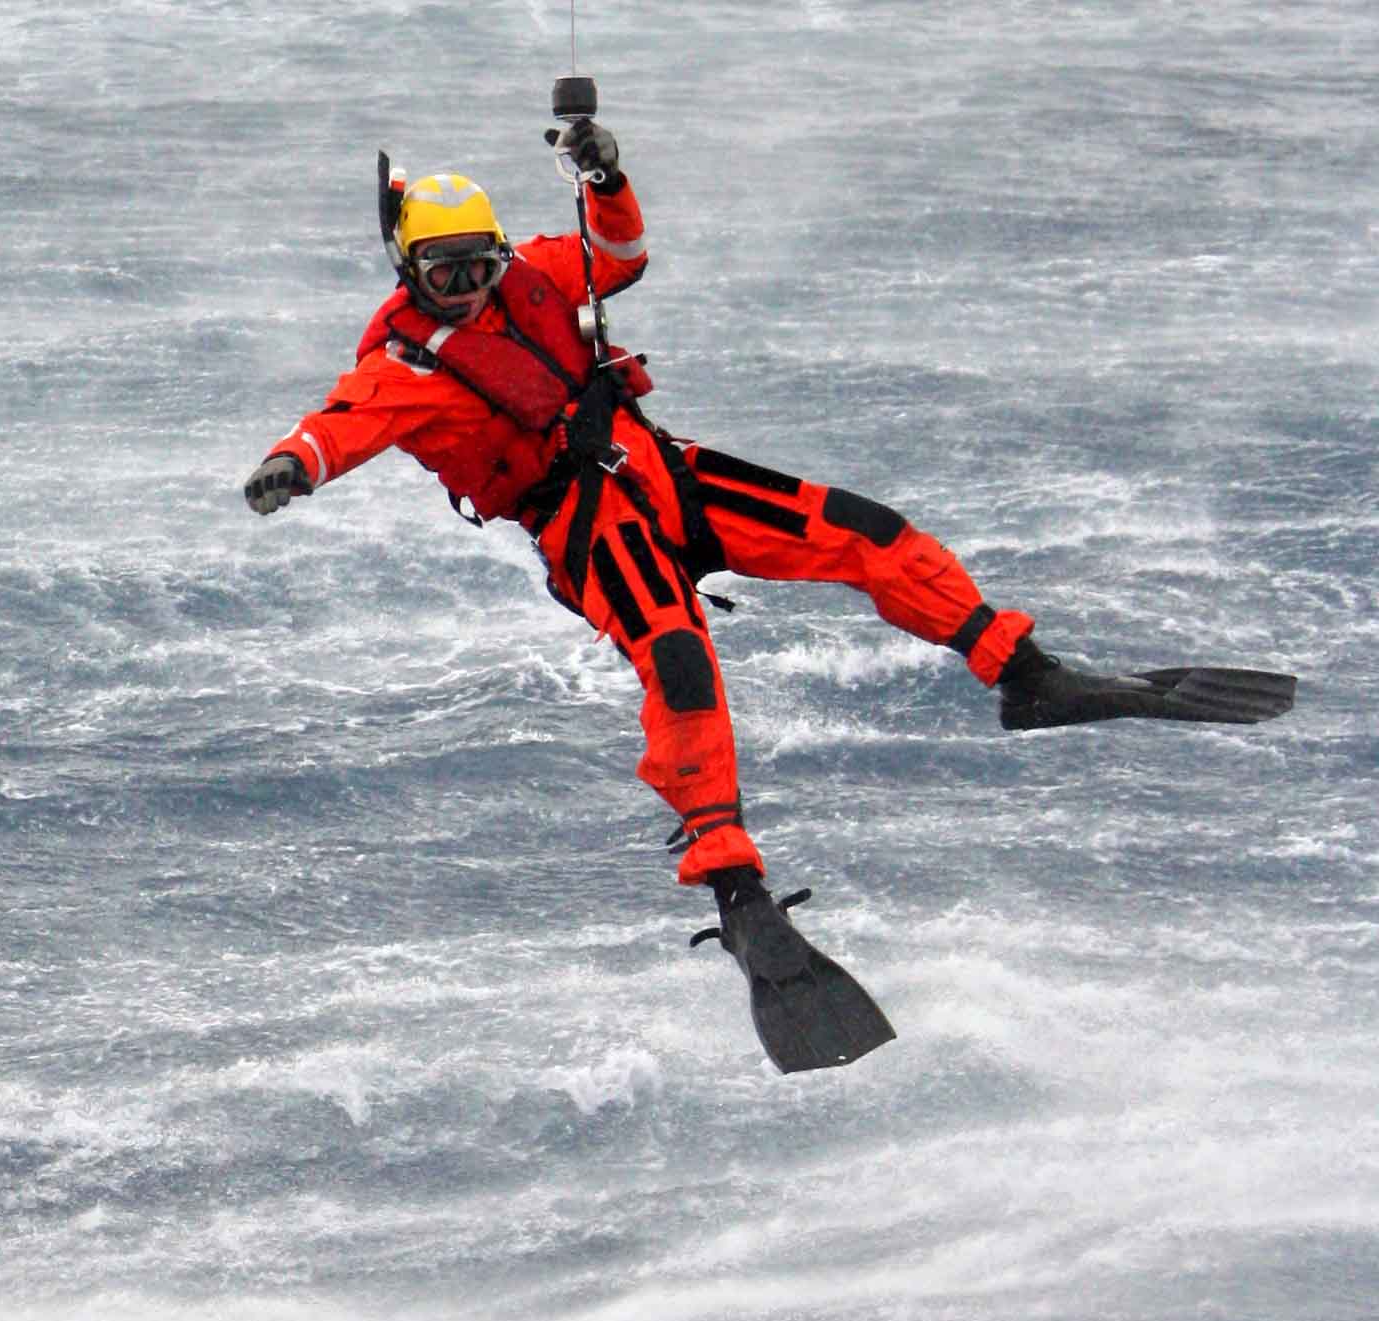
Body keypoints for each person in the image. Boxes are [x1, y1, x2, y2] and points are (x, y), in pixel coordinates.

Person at [240, 122, 1234, 935]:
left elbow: (617, 252)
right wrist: (292, 464)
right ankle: (730, 878)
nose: (468, 287)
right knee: (676, 656)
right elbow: (340, 424)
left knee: (863, 530)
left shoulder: (537, 277)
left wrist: (604, 174)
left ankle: (1023, 672)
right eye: (444, 274)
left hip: (659, 471)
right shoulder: (405, 372)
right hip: (584, 523)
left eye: (480, 265)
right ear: (408, 268)